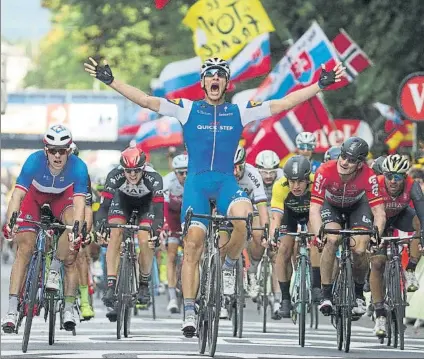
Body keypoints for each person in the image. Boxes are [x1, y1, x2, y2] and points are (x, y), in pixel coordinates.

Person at [84, 55, 345, 336]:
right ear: (203, 82)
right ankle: (189, 311)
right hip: (196, 185)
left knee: (245, 216)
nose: (215, 79)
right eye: (210, 75)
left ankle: (231, 264)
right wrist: (111, 81)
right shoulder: (187, 109)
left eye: (221, 74)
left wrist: (318, 85)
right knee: (194, 244)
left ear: (227, 82)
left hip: (225, 184)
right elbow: (147, 100)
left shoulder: (240, 110)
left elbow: (283, 103)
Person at [1, 125, 89, 333]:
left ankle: (56, 272)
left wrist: (76, 232)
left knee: (72, 231)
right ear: (45, 151)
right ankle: (12, 311)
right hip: (34, 198)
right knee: (24, 248)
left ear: (69, 150)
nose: (57, 155)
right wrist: (10, 223)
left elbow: (79, 206)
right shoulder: (33, 161)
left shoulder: (79, 167)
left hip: (62, 199)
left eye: (62, 150)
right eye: (52, 150)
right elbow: (17, 196)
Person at [309, 137, 386, 317]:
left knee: (360, 249)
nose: (344, 162)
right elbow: (314, 208)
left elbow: (379, 212)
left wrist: (376, 235)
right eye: (343, 156)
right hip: (331, 206)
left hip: (358, 207)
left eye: (351, 160)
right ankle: (326, 295)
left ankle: (359, 293)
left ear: (360, 164)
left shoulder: (369, 176)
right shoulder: (325, 171)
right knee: (332, 239)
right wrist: (319, 233)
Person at [95, 144, 163, 321]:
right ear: (122, 169)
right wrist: (101, 224)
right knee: (115, 233)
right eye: (128, 171)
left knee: (144, 238)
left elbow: (159, 210)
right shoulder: (114, 176)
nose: (132, 175)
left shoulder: (154, 178)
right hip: (122, 204)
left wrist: (156, 228)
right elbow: (104, 207)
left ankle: (143, 284)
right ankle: (111, 285)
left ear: (143, 168)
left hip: (145, 205)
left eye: (136, 171)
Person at [370, 154, 424, 337]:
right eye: (389, 176)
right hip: (377, 219)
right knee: (377, 263)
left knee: (419, 223)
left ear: (405, 176)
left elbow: (420, 210)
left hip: (400, 216)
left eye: (398, 176)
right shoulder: (375, 183)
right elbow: (363, 211)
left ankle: (410, 271)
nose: (393, 181)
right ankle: (379, 315)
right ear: (383, 174)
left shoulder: (412, 185)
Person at [270, 156, 316, 318]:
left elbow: (319, 213)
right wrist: (273, 236)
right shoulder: (279, 186)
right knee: (284, 249)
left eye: (300, 182)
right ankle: (285, 299)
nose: (296, 186)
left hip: (311, 213)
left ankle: (316, 285)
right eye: (292, 182)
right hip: (289, 216)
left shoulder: (316, 182)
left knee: (317, 241)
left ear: (308, 179)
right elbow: (276, 216)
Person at [229, 146, 267, 312]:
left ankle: (252, 272)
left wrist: (265, 230)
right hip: (227, 209)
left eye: (240, 167)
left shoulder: (252, 174)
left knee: (259, 235)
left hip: (251, 209)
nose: (236, 172)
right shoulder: (222, 174)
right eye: (232, 167)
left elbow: (262, 204)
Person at [254, 149, 284, 317]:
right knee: (257, 236)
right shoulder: (253, 176)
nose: (268, 175)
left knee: (275, 255)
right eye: (264, 171)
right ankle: (252, 271)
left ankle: (278, 297)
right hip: (257, 210)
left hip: (275, 212)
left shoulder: (282, 178)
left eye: (271, 172)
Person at [70, 142, 96, 320]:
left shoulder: (81, 174)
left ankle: (85, 301)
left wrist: (86, 230)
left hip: (76, 212)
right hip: (55, 209)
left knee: (80, 253)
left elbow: (87, 206)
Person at [162, 154, 188, 313]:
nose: (184, 176)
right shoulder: (168, 181)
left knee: (190, 254)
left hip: (188, 217)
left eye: (186, 172)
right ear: (175, 172)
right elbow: (163, 205)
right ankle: (172, 297)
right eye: (180, 173)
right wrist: (165, 225)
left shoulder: (193, 180)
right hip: (172, 218)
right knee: (171, 255)